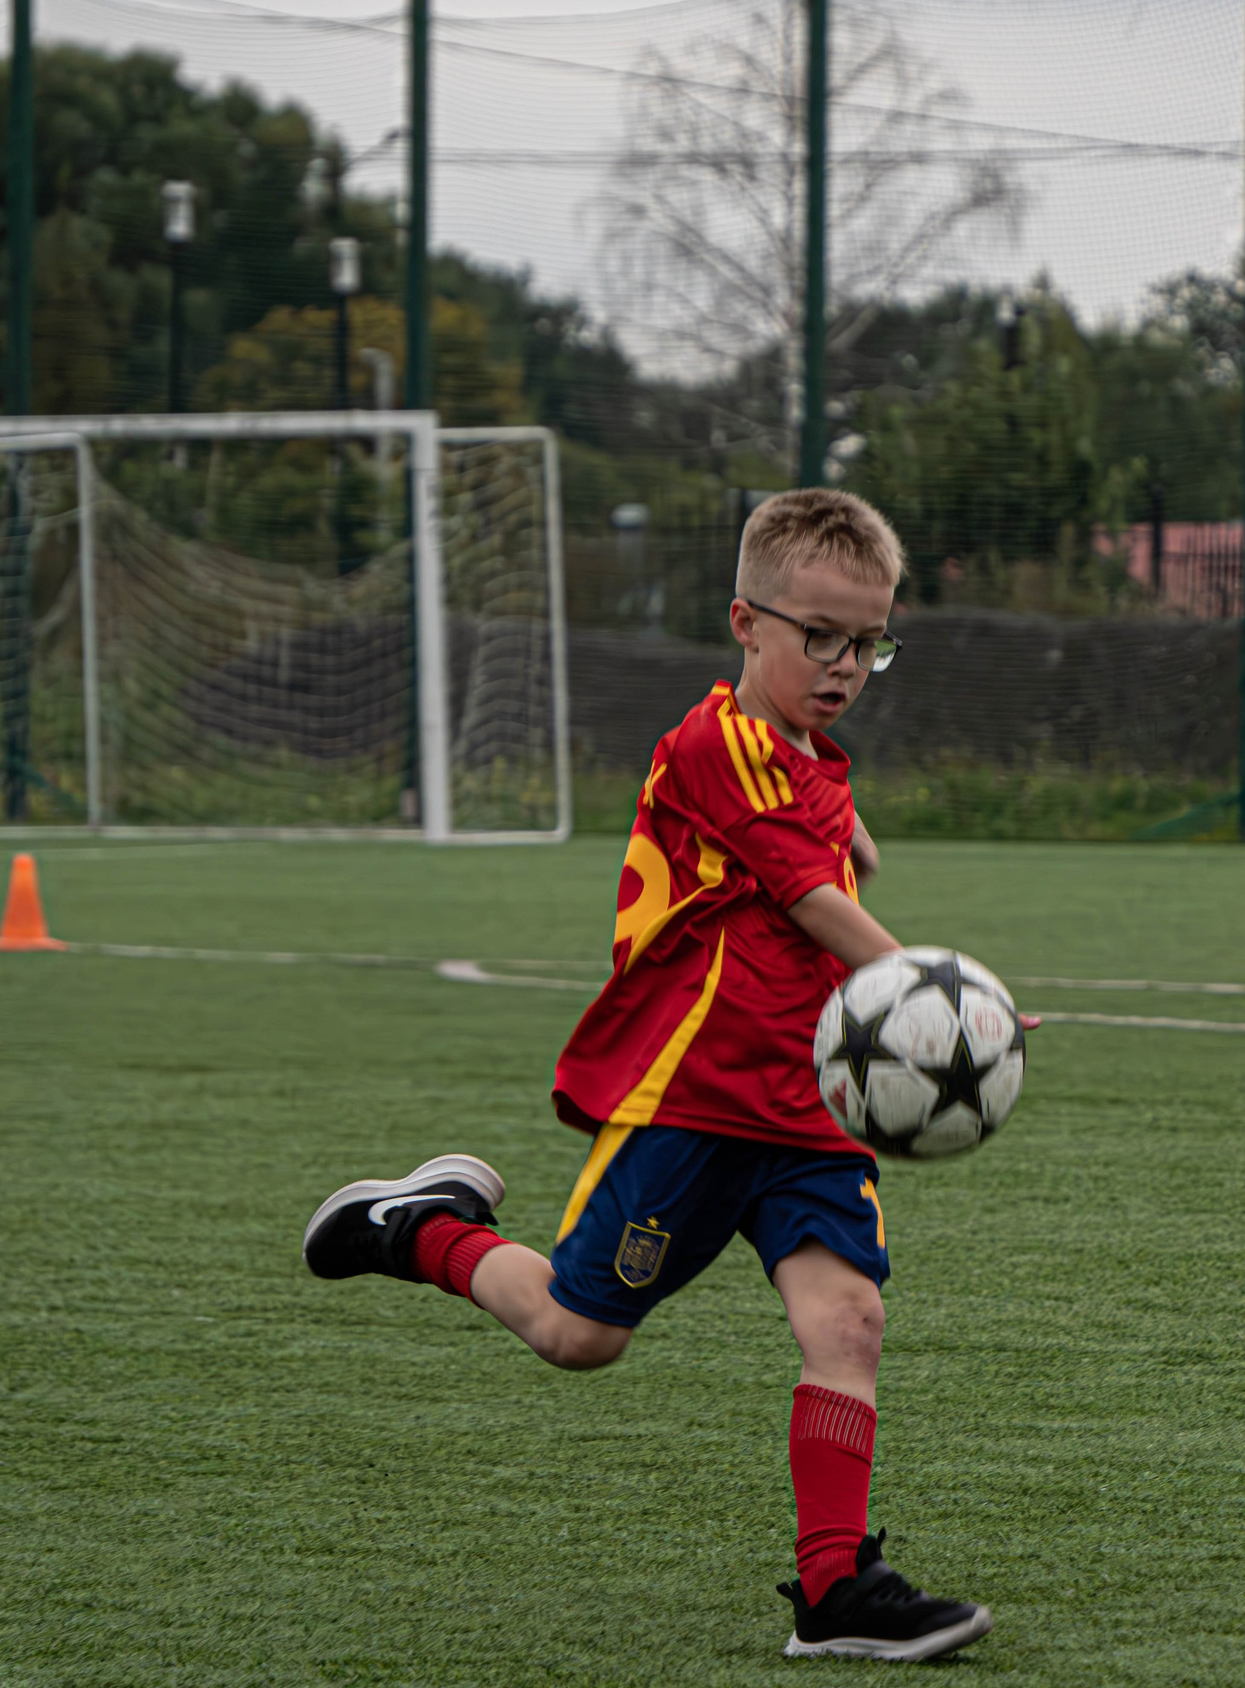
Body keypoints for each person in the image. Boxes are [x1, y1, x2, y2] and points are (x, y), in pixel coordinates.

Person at [301, 489, 992, 1663]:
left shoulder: (809, 756)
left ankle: (834, 1589)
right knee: (579, 1335)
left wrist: (851, 842)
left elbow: (837, 848)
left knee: (849, 1320)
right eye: (819, 637)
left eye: (867, 643)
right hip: (694, 1098)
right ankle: (417, 1229)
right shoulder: (711, 745)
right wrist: (938, 997)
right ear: (745, 623)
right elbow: (811, 895)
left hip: (808, 1105)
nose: (842, 666)